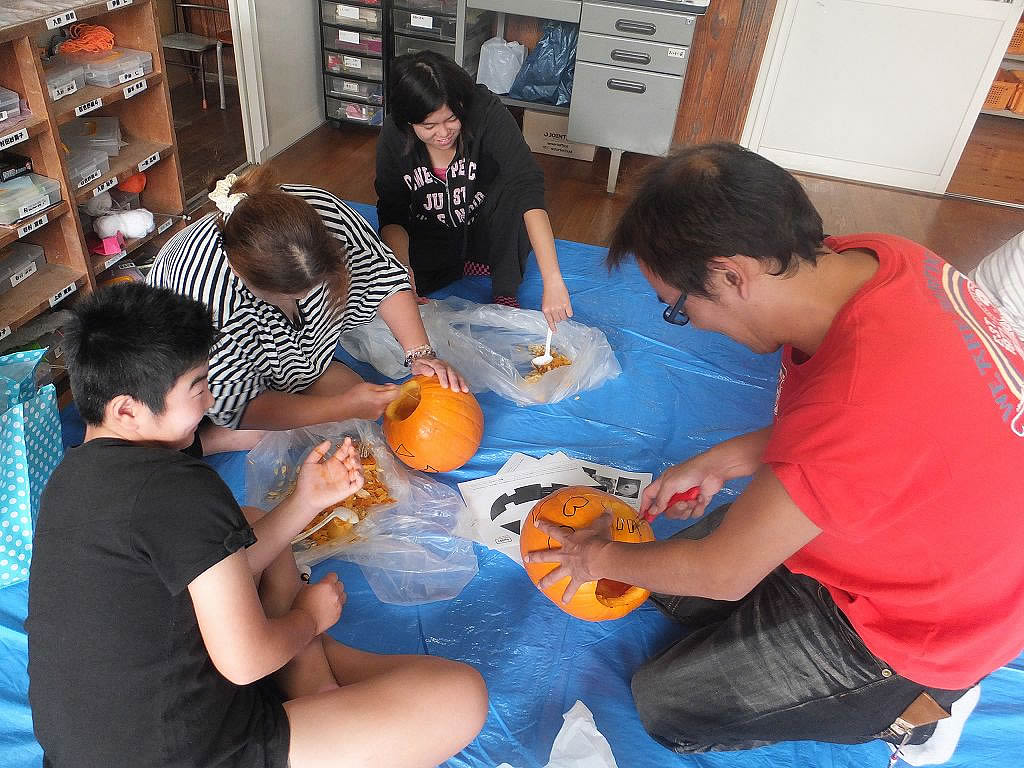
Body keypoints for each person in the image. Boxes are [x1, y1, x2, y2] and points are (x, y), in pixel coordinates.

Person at [522, 143, 1024, 761]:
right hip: (908, 519)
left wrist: (596, 556)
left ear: (733, 275)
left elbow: (726, 572)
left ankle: (913, 711)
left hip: (928, 626)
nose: (689, 323)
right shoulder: (876, 259)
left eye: (678, 308)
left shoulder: (861, 399)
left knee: (668, 701)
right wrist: (724, 459)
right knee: (668, 585)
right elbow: (872, 432)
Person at [26, 283, 488, 768]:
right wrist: (309, 618)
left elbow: (205, 564)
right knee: (461, 696)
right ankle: (314, 672)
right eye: (198, 387)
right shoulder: (179, 486)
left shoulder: (69, 477)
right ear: (127, 409)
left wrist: (306, 500)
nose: (210, 399)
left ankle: (314, 675)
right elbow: (244, 663)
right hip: (197, 751)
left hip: (90, 747)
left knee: (248, 522)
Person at [148, 166, 467, 450]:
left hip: (284, 355)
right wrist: (342, 407)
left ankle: (298, 376)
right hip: (195, 380)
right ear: (239, 273)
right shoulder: (210, 303)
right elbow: (237, 404)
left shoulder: (323, 213)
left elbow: (384, 276)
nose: (300, 303)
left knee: (357, 406)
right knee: (259, 435)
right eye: (287, 298)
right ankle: (206, 443)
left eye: (311, 291)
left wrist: (419, 353)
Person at [375, 50, 573, 331]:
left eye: (451, 119)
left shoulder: (485, 110)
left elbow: (527, 183)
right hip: (429, 228)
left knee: (514, 193)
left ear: (461, 104)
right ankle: (456, 264)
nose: (443, 134)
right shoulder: (393, 134)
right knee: (394, 287)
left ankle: (500, 282)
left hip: (484, 220)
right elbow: (392, 211)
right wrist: (402, 272)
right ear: (409, 122)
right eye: (428, 126)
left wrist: (552, 279)